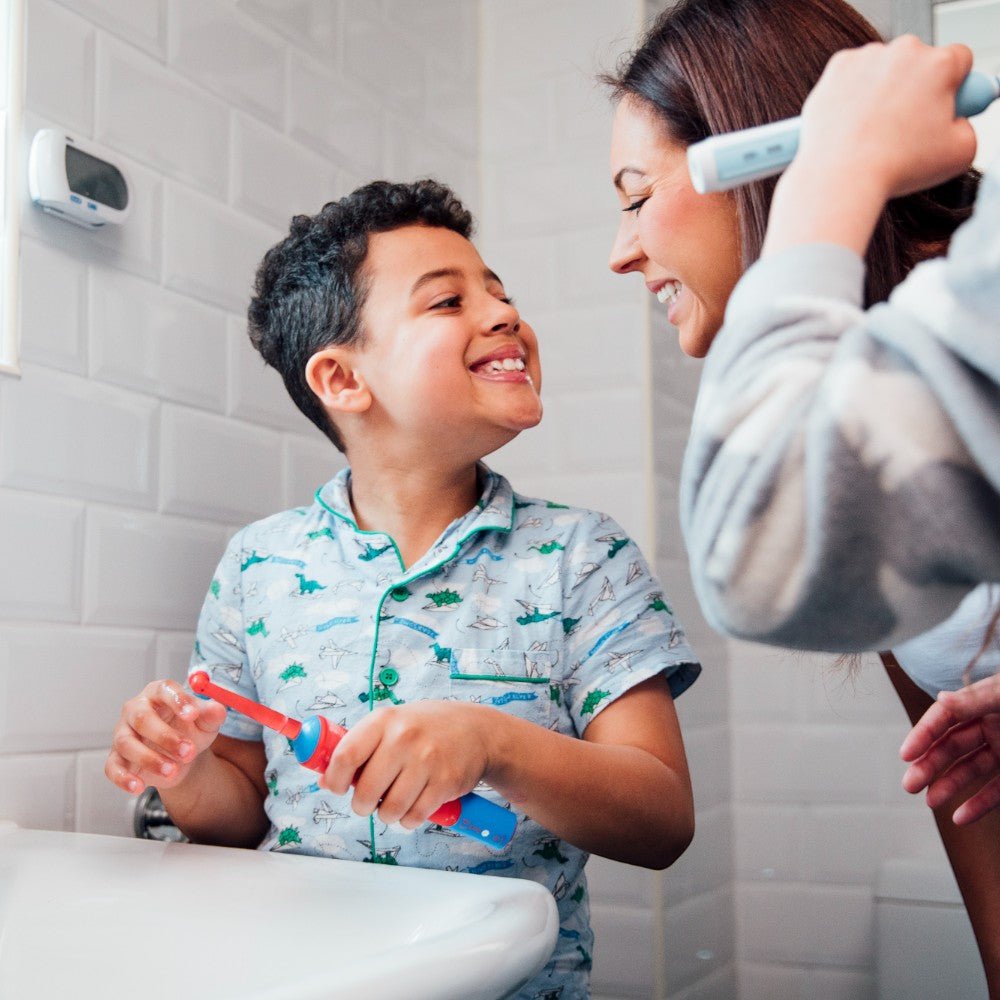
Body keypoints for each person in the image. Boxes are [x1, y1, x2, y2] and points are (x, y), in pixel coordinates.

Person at [104, 179, 700, 998]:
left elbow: (662, 820)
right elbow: (240, 813)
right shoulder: (257, 566)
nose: (501, 314)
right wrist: (184, 771)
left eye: (500, 292)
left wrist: (493, 745)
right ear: (343, 380)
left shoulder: (581, 557)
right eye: (448, 301)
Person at [603, 1, 1000, 990]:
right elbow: (972, 807)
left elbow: (758, 553)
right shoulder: (882, 401)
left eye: (635, 195)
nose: (622, 250)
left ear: (761, 153)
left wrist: (828, 174)